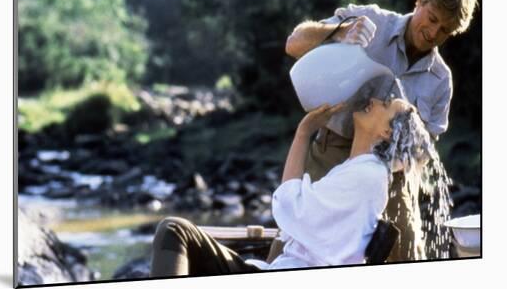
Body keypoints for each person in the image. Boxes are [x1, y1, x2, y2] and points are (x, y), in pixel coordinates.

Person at [277, 0, 478, 262]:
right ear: (419, 0)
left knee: (408, 253)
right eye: (432, 19)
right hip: (333, 150)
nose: (434, 33)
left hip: (389, 173)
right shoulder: (370, 22)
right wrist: (340, 32)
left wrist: (386, 167)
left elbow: (423, 151)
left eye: (445, 30)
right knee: (290, 239)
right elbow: (294, 44)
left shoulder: (440, 80)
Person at [150, 97, 432, 277]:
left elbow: (289, 207)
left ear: (387, 132)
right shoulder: (359, 171)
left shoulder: (367, 177)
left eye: (385, 105)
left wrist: (303, 133)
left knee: (174, 231)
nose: (375, 99)